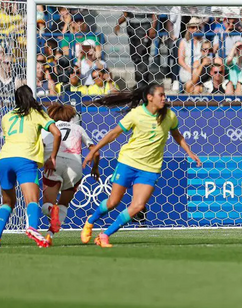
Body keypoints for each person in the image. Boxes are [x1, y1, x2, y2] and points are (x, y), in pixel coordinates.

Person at [81, 83, 202, 247]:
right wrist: (92, 151)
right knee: (113, 202)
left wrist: (189, 152)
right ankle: (91, 221)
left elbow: (177, 135)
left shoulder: (169, 116)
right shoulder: (136, 114)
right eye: (161, 95)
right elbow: (113, 133)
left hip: (150, 169)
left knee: (138, 206)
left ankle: (104, 235)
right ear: (150, 97)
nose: (164, 98)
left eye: (164, 95)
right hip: (128, 162)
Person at [0, 85, 62, 248]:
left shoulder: (7, 116)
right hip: (25, 158)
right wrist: (52, 157)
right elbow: (57, 133)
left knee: (7, 202)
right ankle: (32, 228)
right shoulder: (37, 113)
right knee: (31, 200)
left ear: (16, 100)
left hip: (4, 159)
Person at [40, 103, 100, 245]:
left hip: (54, 164)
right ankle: (49, 236)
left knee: (47, 205)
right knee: (63, 205)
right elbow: (96, 152)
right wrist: (95, 168)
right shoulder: (78, 128)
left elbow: (38, 147)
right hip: (75, 167)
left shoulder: (48, 128)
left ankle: (50, 209)